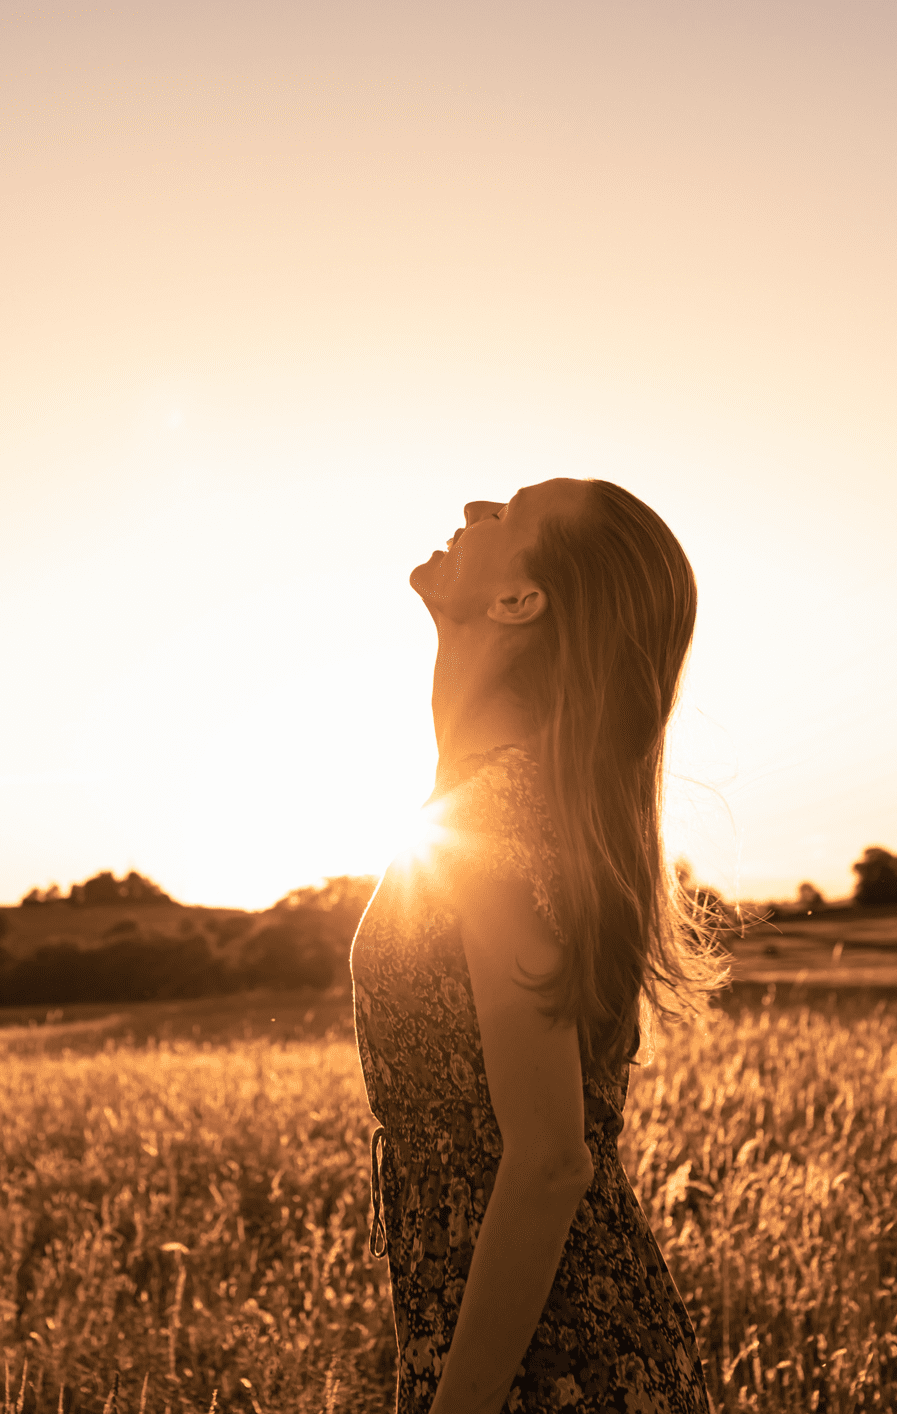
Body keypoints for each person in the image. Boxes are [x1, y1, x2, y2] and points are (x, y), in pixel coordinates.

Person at [350, 478, 724, 1413]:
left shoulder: (495, 824)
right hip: (542, 1335)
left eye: (507, 513)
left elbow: (551, 1158)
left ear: (520, 603)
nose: (475, 509)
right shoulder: (491, 802)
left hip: (559, 1364)